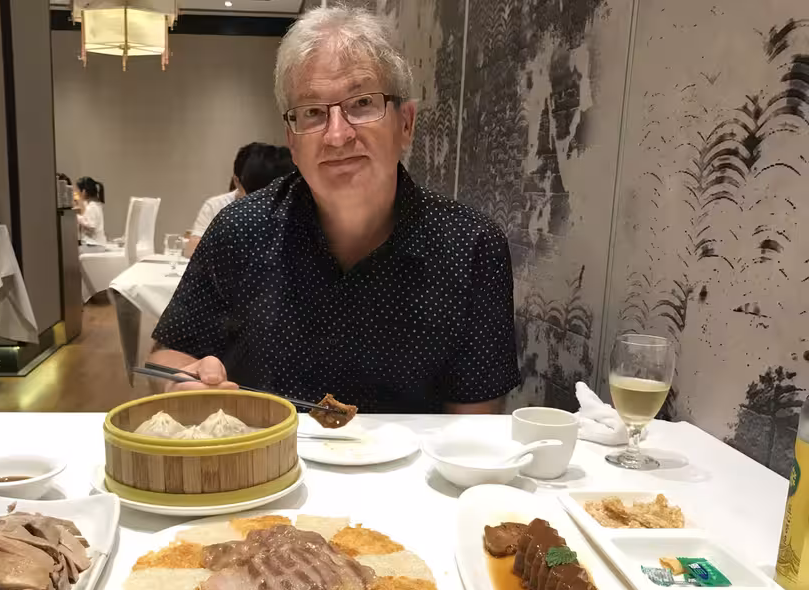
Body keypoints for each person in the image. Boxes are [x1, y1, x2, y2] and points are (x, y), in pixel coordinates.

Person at [149, 6, 520, 414]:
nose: (338, 135)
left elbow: (473, 424)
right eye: (312, 112)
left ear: (406, 124)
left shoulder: (471, 247)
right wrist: (184, 383)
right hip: (267, 452)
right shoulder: (241, 228)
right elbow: (169, 353)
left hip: (412, 459)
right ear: (292, 141)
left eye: (362, 103)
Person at [75, 176, 106, 245]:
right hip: (98, 243)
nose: (77, 194)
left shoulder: (92, 207)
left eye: (78, 191)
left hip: (94, 244)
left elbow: (91, 225)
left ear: (84, 192)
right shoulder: (96, 205)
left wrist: (77, 217)